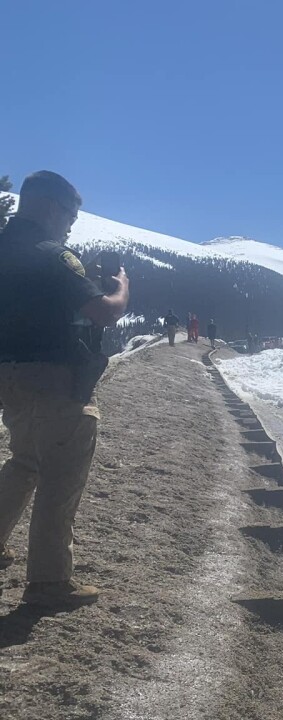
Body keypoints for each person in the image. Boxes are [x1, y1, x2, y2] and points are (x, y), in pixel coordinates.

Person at [0, 171, 129, 607]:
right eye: (71, 213)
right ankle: (49, 583)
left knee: (24, 463)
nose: (72, 223)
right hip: (56, 379)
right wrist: (122, 289)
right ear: (52, 206)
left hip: (10, 377)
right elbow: (103, 313)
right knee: (61, 475)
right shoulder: (53, 255)